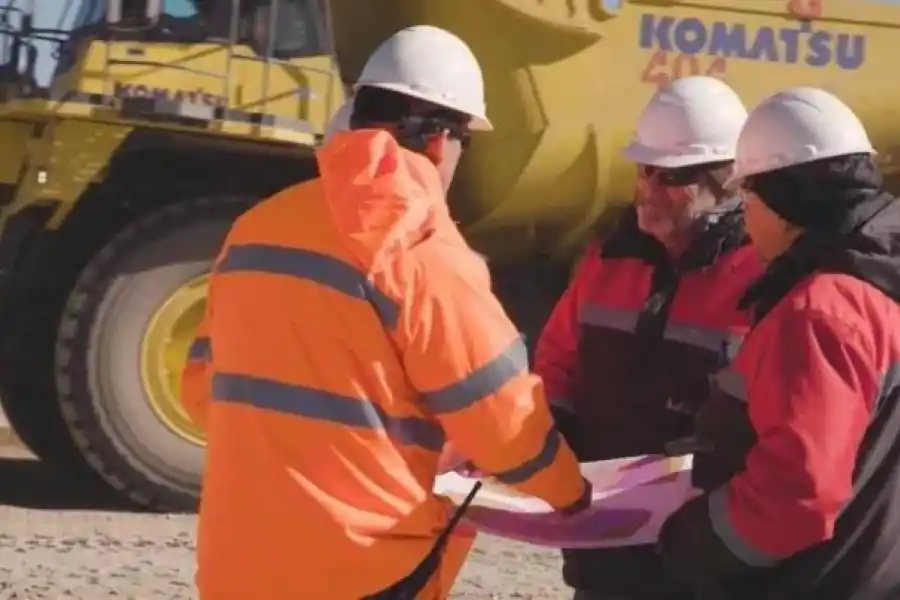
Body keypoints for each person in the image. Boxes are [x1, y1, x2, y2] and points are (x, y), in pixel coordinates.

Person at [179, 24, 591, 600]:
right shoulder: (423, 248)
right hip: (360, 568)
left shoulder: (255, 228)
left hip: (239, 565)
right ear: (441, 141)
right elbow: (502, 420)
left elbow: (200, 389)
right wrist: (570, 491)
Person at [657, 87, 900, 600]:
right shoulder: (881, 281)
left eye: (748, 199)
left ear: (785, 204)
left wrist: (692, 539)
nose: (745, 219)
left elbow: (796, 494)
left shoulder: (822, 311)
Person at [534, 75, 764, 600]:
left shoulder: (762, 279)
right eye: (645, 169)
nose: (649, 189)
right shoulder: (607, 262)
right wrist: (557, 440)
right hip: (603, 544)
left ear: (727, 179)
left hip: (704, 553)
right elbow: (556, 364)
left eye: (673, 176)